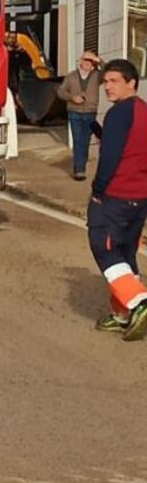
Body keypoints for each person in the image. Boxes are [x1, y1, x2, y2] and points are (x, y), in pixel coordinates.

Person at [87, 57, 147, 338]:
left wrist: (98, 190)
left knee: (104, 247)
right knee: (124, 253)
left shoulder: (119, 113)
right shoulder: (143, 111)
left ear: (131, 83)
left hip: (115, 196)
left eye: (114, 82)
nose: (107, 87)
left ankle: (138, 302)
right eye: (105, 82)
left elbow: (110, 157)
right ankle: (121, 314)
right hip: (139, 197)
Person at [57, 50, 102, 179]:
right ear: (80, 62)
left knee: (85, 140)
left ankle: (82, 161)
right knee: (77, 140)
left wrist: (99, 60)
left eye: (90, 61)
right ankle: (79, 170)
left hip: (90, 112)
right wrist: (72, 97)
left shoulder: (97, 76)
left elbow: (109, 71)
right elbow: (60, 92)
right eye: (85, 60)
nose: (87, 63)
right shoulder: (71, 76)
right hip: (74, 113)